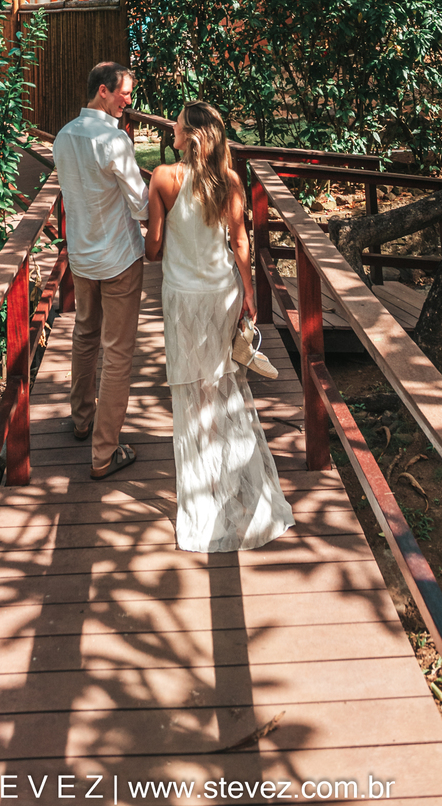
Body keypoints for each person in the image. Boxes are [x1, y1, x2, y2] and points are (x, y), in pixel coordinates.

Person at [145, 101, 295, 553]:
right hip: (223, 293)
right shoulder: (230, 181)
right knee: (223, 385)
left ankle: (203, 489)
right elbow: (240, 240)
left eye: (176, 126)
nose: (170, 130)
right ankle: (232, 484)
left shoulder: (164, 179)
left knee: (191, 391)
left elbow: (153, 249)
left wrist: (156, 233)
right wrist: (248, 292)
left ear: (190, 136)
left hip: (184, 298)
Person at [52, 61, 149, 481]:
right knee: (118, 352)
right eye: (125, 92)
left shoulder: (63, 137)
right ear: (104, 91)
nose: (130, 100)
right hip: (119, 259)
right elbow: (141, 205)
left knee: (84, 334)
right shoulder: (114, 140)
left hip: (82, 259)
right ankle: (104, 453)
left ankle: (81, 420)